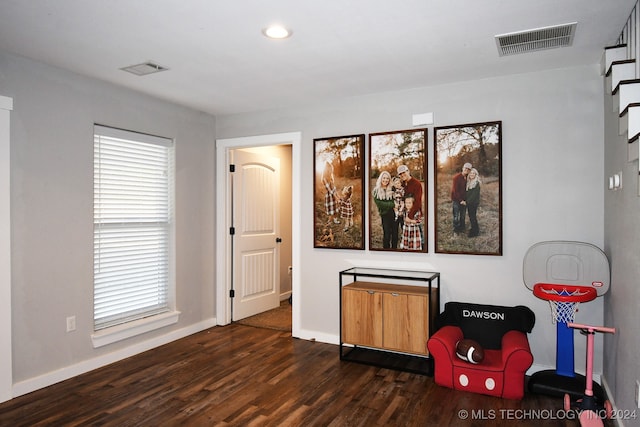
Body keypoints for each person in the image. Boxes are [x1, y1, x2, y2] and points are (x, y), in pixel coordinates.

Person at [397, 164, 423, 245]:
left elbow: (417, 202)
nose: (402, 175)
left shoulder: (416, 184)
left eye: (403, 172)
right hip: (405, 213)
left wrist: (410, 216)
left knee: (418, 235)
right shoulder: (403, 184)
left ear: (408, 171)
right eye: (400, 174)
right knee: (407, 235)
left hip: (414, 214)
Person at [372, 171, 399, 248]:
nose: (385, 180)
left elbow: (397, 197)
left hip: (394, 213)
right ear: (381, 178)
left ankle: (394, 250)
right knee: (387, 234)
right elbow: (380, 204)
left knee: (395, 234)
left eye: (387, 178)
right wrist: (393, 204)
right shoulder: (376, 190)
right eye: (384, 178)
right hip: (385, 214)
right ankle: (386, 250)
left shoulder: (392, 188)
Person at [451, 162, 472, 233]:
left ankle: (462, 228)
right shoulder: (456, 178)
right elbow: (455, 191)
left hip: (464, 200)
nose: (467, 170)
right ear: (463, 168)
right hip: (456, 200)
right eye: (466, 168)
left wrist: (466, 200)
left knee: (463, 216)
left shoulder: (468, 178)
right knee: (456, 216)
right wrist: (460, 200)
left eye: (469, 169)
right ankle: (456, 230)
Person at [465, 168, 481, 237]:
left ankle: (475, 232)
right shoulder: (468, 182)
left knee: (473, 216)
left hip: (473, 203)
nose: (472, 174)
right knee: (471, 216)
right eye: (471, 173)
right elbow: (467, 193)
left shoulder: (477, 183)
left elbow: (474, 195)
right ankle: (474, 229)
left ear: (476, 175)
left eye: (473, 173)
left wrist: (467, 202)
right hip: (469, 203)